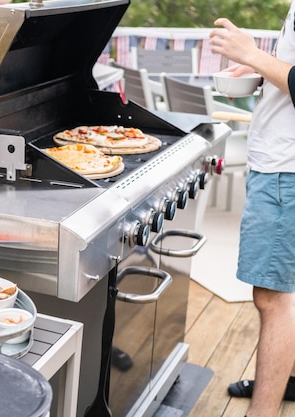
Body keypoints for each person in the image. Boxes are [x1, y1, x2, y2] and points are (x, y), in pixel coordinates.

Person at [209, 4, 295, 417]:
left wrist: (250, 53)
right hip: (282, 162)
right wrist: (261, 74)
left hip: (286, 168)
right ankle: (288, 380)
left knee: (273, 297)